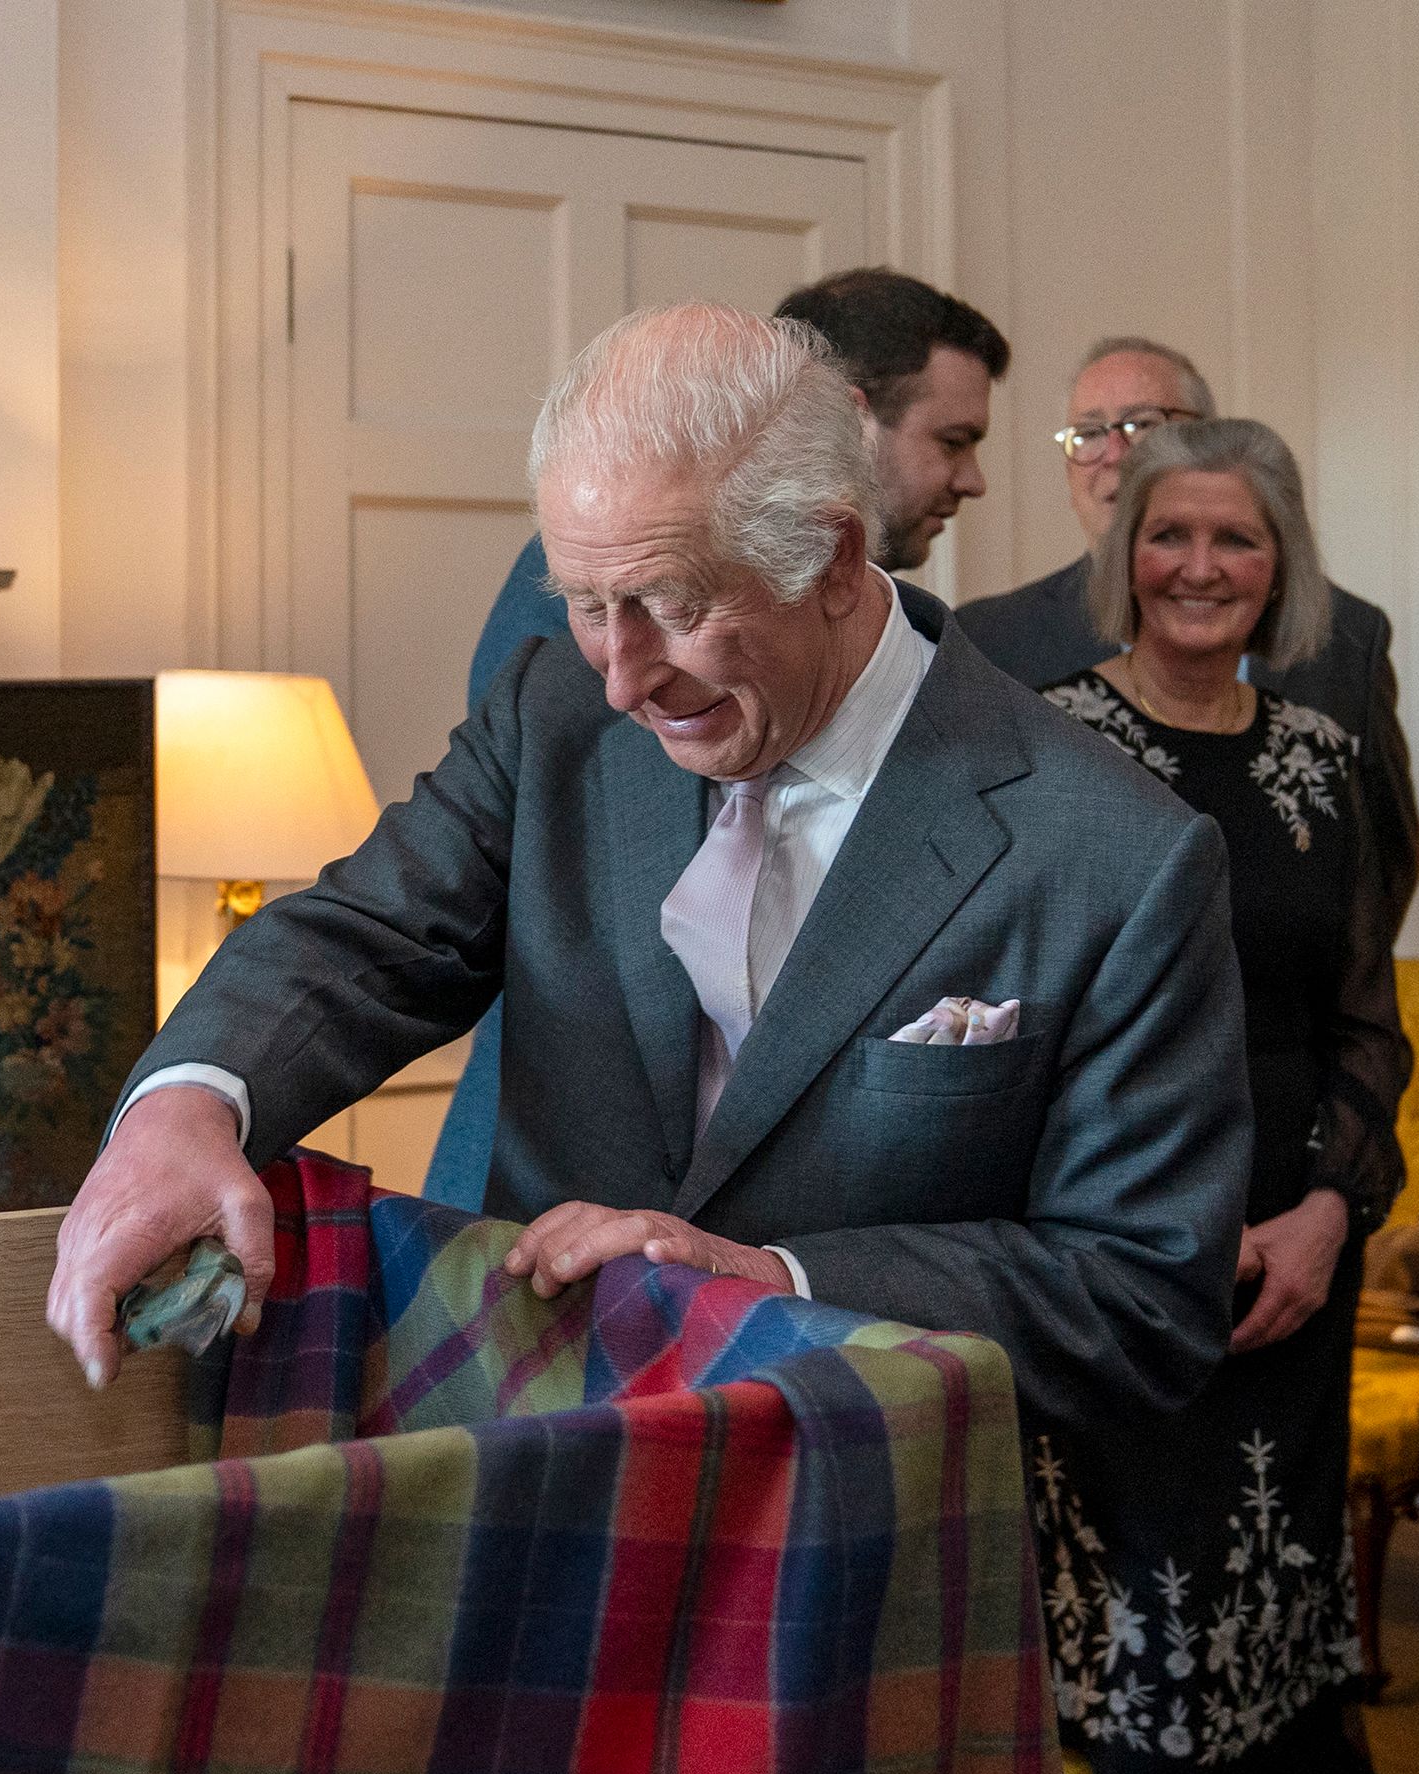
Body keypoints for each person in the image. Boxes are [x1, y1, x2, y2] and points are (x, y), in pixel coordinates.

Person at [49, 301, 1248, 1458]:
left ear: (833, 557)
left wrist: (777, 1285)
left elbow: (1138, 1298)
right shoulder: (557, 712)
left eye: (672, 606)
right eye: (584, 603)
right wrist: (186, 1105)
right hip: (525, 1462)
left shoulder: (1116, 853)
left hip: (852, 1535)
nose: (622, 677)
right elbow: (364, 936)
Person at [1034, 418, 1415, 1774]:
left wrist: (1330, 1211)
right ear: (1122, 555)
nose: (1200, 566)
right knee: (1157, 1613)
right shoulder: (1041, 739)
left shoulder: (1326, 761)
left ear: (1282, 567)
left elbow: (1365, 1025)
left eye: (1235, 539)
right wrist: (1132, 1237)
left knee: (1278, 1579)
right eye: (1169, 534)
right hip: (1114, 1255)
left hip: (1298, 1255)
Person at [427, 267, 1009, 1208]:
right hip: (543, 1194)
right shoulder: (593, 620)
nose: (970, 479)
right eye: (952, 439)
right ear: (851, 425)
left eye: (678, 605)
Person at [956, 337, 1419, 940]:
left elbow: (1378, 870)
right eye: (1087, 433)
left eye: (1141, 425)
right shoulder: (988, 641)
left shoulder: (1348, 635)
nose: (1113, 454)